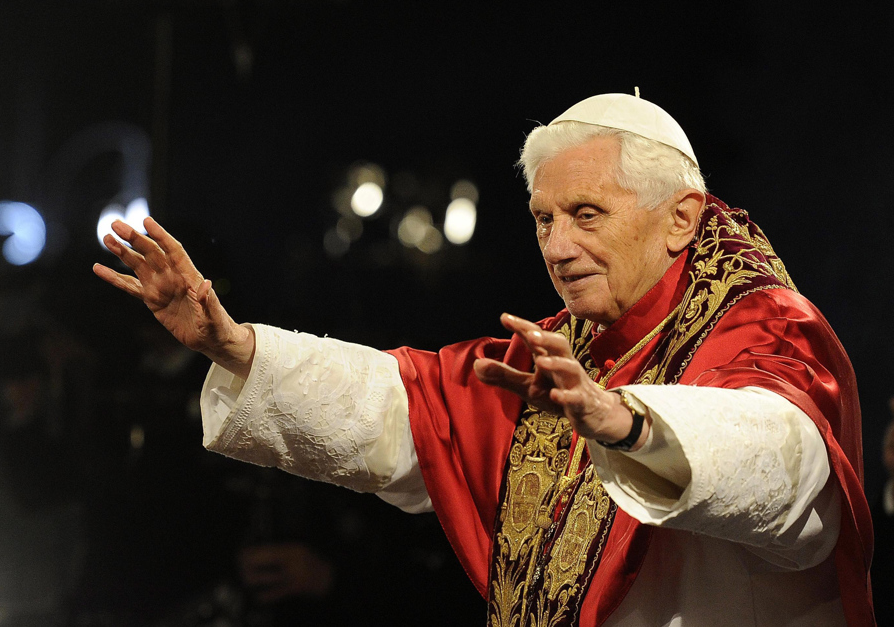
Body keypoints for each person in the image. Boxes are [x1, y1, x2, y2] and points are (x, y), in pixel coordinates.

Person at [94, 92, 873, 626]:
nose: (558, 248)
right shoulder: (555, 351)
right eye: (543, 219)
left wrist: (631, 425)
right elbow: (409, 405)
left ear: (681, 219)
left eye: (587, 214)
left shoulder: (765, 322)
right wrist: (235, 346)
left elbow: (795, 468)